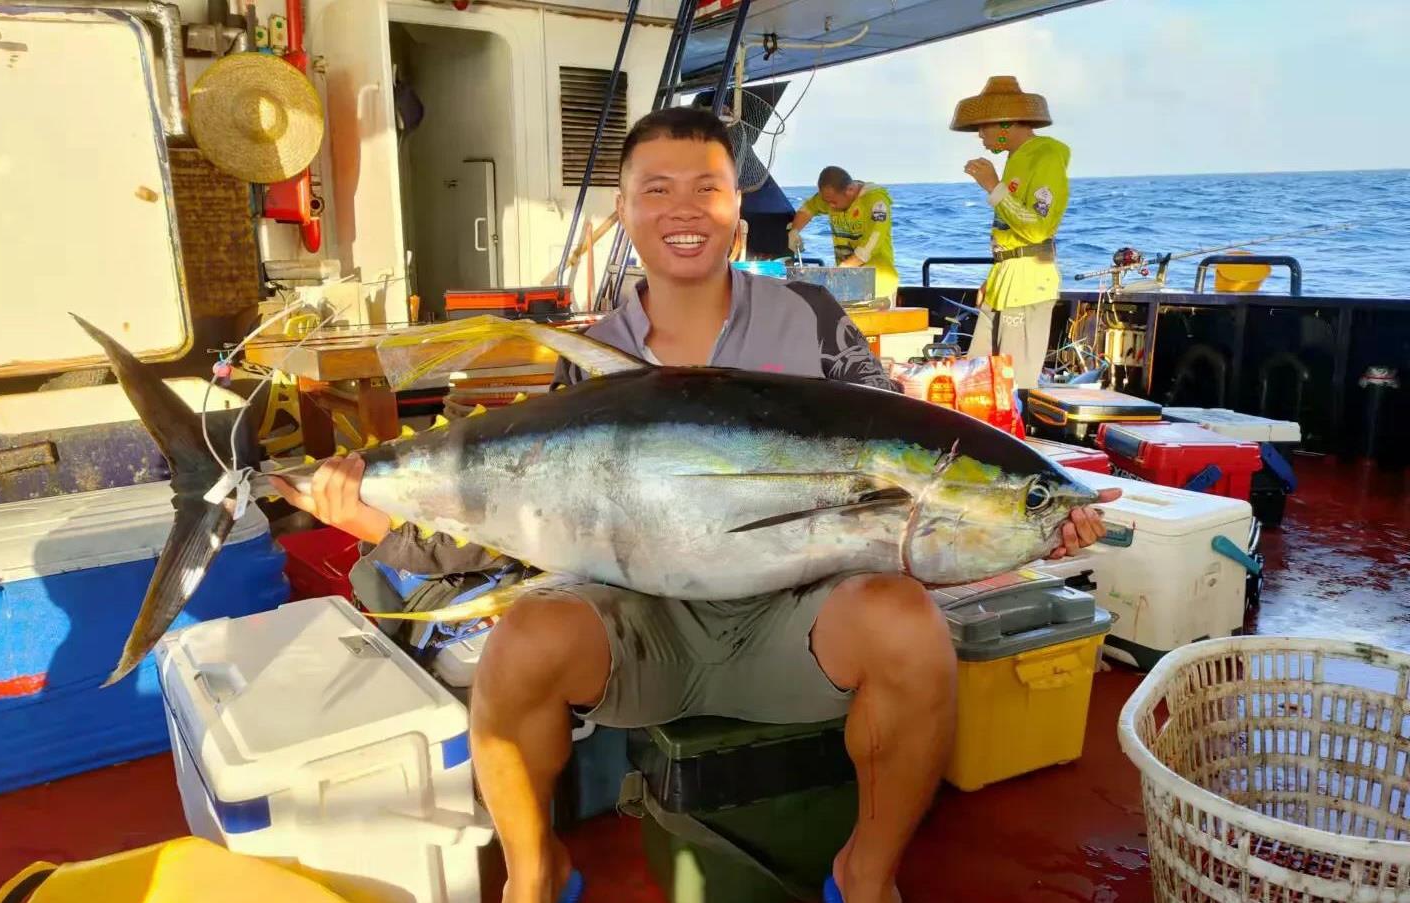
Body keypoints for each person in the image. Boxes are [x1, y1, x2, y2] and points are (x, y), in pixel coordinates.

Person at [271, 106, 1116, 903]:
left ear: (738, 209)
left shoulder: (811, 319)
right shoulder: (589, 357)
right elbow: (513, 528)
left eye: (706, 187)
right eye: (657, 189)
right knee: (520, 640)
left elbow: (902, 459)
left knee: (908, 625)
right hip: (641, 627)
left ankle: (864, 872)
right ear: (625, 211)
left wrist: (1034, 521)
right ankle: (536, 870)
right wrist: (371, 519)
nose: (684, 209)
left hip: (796, 622)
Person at [953, 76, 1071, 388]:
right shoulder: (1014, 160)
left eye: (983, 127)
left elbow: (1037, 229)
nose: (980, 136)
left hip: (1028, 285)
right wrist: (993, 279)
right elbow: (1009, 230)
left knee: (1011, 385)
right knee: (976, 378)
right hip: (1005, 281)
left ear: (1005, 123)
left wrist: (993, 186)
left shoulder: (1045, 156)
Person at [787, 167, 899, 301]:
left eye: (833, 202)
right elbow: (808, 209)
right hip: (847, 281)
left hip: (878, 283)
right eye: (827, 202)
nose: (830, 206)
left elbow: (870, 246)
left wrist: (840, 270)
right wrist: (794, 231)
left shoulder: (875, 201)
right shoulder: (831, 198)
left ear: (850, 190)